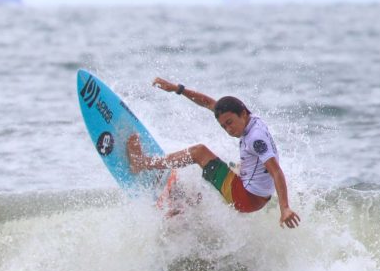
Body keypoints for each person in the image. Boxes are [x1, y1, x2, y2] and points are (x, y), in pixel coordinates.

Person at [127, 77, 300, 229]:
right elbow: (210, 103)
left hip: (246, 198)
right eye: (224, 126)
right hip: (255, 191)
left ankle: (142, 164)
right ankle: (186, 208)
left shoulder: (256, 138)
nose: (228, 129)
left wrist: (284, 208)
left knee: (199, 153)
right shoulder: (251, 119)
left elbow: (276, 171)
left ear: (243, 113)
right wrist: (178, 89)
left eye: (230, 122)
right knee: (213, 167)